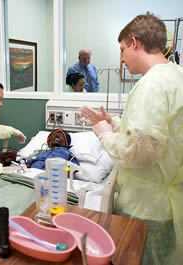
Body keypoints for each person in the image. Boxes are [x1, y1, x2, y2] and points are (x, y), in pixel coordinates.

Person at [80, 12, 183, 265]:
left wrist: (104, 136)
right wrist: (114, 123)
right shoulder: (175, 75)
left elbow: (140, 153)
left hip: (147, 206)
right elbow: (160, 135)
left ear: (134, 43)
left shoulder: (151, 85)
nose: (122, 58)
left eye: (123, 49)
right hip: (168, 202)